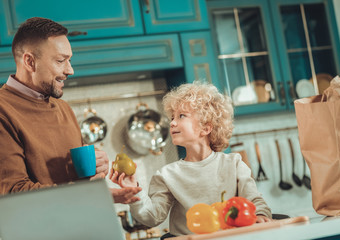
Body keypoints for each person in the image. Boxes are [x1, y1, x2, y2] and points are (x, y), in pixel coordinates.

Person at [0, 17, 141, 203]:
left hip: (84, 226)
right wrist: (88, 193)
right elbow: (13, 192)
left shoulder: (63, 107)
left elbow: (76, 181)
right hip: (41, 232)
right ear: (30, 62)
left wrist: (98, 168)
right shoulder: (4, 110)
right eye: (61, 60)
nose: (70, 70)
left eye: (69, 60)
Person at [110, 81, 272, 237]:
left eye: (181, 116)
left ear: (206, 128)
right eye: (172, 117)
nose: (172, 123)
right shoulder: (166, 174)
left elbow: (254, 200)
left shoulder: (233, 163)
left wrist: (260, 215)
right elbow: (152, 218)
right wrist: (134, 193)